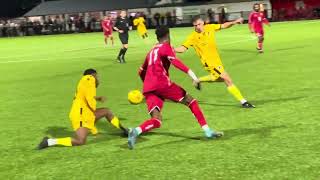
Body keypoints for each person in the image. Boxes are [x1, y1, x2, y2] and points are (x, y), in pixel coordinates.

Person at [127, 26, 223, 150]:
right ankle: (207, 131)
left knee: (157, 120)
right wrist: (193, 76)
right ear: (168, 35)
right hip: (162, 84)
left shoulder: (151, 52)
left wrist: (148, 87)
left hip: (149, 88)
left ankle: (136, 131)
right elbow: (176, 62)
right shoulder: (166, 47)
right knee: (191, 102)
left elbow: (141, 71)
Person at [175, 16, 255, 108]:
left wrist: (234, 22)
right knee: (227, 79)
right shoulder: (193, 37)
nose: (197, 27)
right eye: (195, 25)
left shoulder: (210, 27)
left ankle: (197, 80)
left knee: (220, 79)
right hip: (210, 63)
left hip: (217, 61)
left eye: (199, 24)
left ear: (203, 23)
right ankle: (243, 102)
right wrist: (172, 49)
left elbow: (223, 25)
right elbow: (182, 49)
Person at [38, 69, 128, 150]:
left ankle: (125, 131)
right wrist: (93, 108)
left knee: (106, 111)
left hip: (85, 113)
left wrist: (96, 98)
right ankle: (49, 142)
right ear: (93, 75)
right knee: (80, 141)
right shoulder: (89, 78)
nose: (98, 79)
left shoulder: (85, 82)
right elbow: (89, 99)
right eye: (97, 76)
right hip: (81, 115)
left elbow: (85, 95)